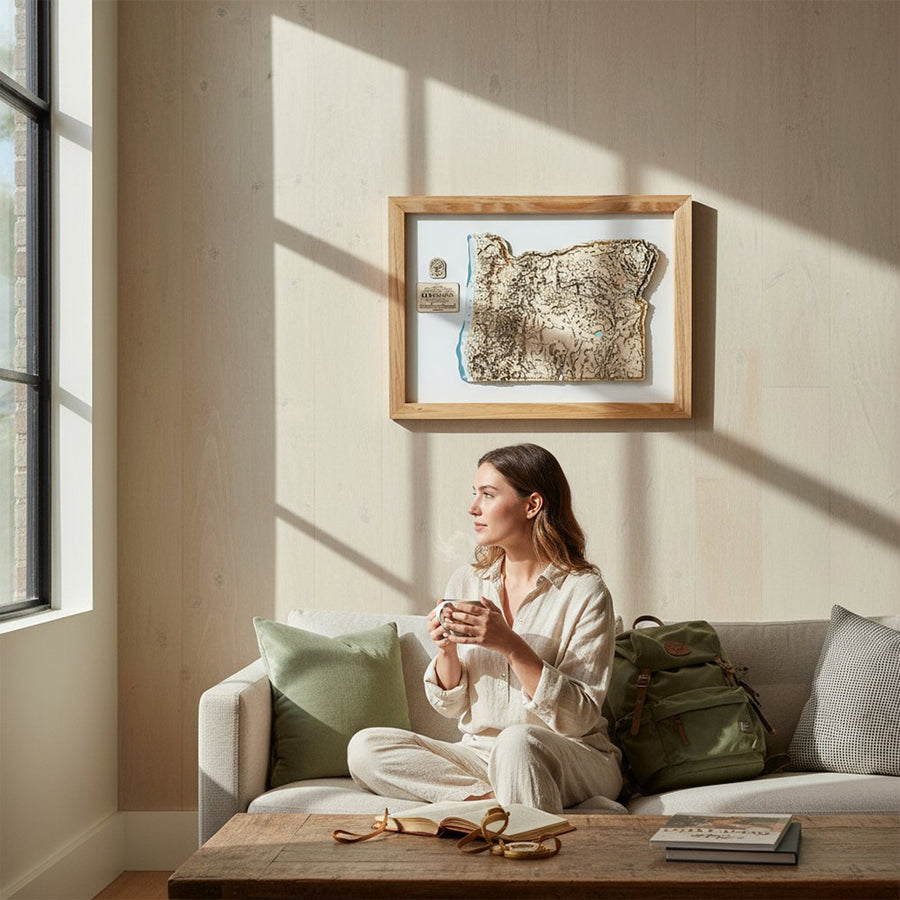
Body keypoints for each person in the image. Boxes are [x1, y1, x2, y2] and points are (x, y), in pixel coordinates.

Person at [347, 443, 623, 814]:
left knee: (517, 743)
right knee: (365, 748)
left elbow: (580, 718)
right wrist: (446, 650)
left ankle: (522, 823)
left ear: (532, 505)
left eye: (488, 495)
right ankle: (493, 803)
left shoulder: (584, 591)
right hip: (479, 754)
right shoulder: (467, 581)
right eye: (475, 494)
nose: (473, 508)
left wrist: (510, 644)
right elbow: (452, 706)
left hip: (570, 753)